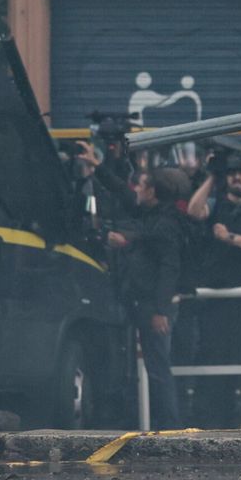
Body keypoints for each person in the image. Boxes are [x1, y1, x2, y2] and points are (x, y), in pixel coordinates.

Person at [81, 148, 189, 431]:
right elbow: (124, 194)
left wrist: (161, 311)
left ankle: (171, 426)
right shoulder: (150, 213)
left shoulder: (165, 224)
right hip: (140, 301)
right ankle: (160, 423)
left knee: (158, 369)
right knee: (151, 368)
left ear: (152, 191)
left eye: (140, 186)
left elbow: (169, 269)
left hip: (154, 306)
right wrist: (99, 167)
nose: (136, 190)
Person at [187, 152, 241, 428]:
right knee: (215, 370)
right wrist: (211, 177)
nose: (237, 177)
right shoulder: (214, 204)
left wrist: (230, 237)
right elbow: (193, 210)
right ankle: (215, 427)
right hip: (216, 304)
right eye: (231, 173)